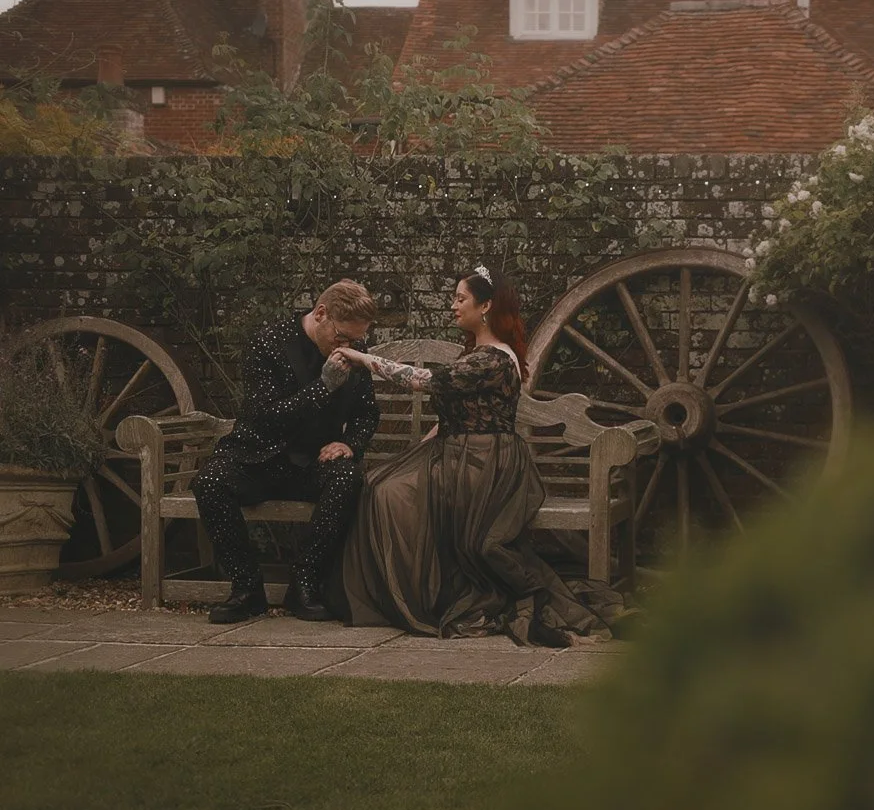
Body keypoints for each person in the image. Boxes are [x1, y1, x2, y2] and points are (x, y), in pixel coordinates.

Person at [326, 265, 633, 646]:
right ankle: (407, 593)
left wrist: (364, 359)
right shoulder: (475, 353)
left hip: (486, 461)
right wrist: (424, 447)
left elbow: (427, 381)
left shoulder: (492, 360)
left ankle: (426, 597)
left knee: (391, 496)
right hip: (457, 450)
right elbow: (457, 411)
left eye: (460, 299)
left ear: (485, 306)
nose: (453, 306)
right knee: (378, 485)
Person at [193, 279, 380, 624]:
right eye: (342, 338)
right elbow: (264, 418)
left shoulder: (353, 350)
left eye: (355, 340)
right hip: (258, 457)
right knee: (210, 480)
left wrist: (350, 444)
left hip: (312, 463)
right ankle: (247, 589)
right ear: (321, 314)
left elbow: (367, 414)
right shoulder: (269, 343)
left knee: (347, 477)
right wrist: (322, 387)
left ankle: (305, 583)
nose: (349, 346)